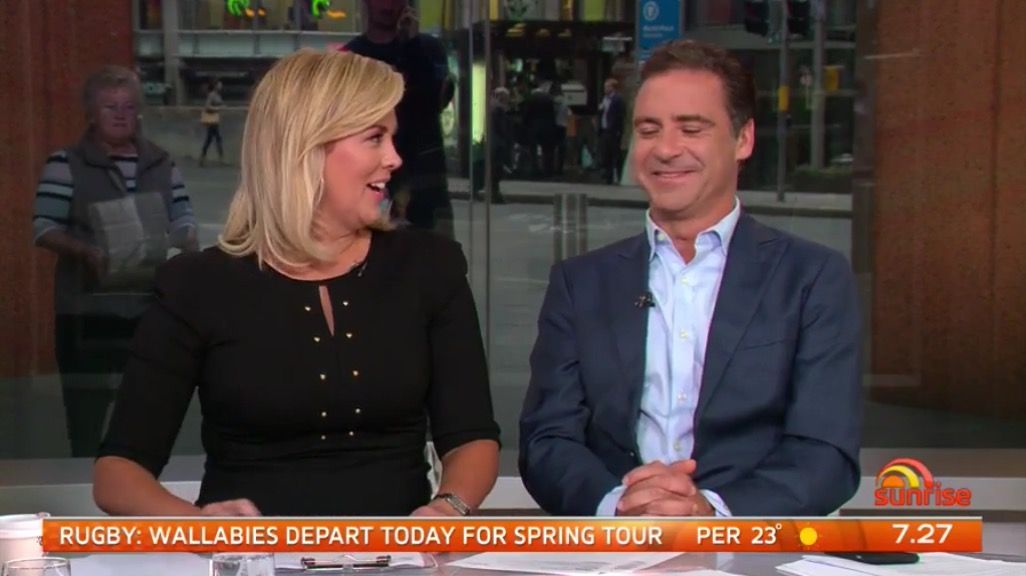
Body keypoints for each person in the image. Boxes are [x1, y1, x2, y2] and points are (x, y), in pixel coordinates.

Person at [92, 50, 501, 517]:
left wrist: (449, 507)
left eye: (392, 137)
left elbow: (471, 437)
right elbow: (117, 474)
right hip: (247, 553)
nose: (394, 158)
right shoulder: (197, 284)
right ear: (307, 148)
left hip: (401, 549)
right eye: (375, 137)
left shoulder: (430, 266)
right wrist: (200, 527)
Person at [519, 40, 861, 517]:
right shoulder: (580, 283)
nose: (665, 149)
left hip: (748, 543)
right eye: (649, 130)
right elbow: (547, 439)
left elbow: (826, 453)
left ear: (743, 139)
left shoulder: (811, 278)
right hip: (616, 541)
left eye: (691, 129)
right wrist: (620, 505)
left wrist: (711, 513)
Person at [32, 65, 198, 458]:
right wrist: (85, 252)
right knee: (86, 416)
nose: (122, 115)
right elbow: (43, 227)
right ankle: (86, 482)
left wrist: (182, 240)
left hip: (148, 309)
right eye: (111, 107)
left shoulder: (161, 162)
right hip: (86, 311)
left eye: (129, 106)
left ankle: (136, 482)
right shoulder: (65, 162)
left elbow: (184, 217)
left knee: (146, 412)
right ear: (91, 113)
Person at [344, 0, 455, 237]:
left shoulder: (428, 49)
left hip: (425, 179)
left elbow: (435, 100)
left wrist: (412, 44)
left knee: (436, 254)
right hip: (373, 179)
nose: (388, 5)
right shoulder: (351, 58)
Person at [597, 77, 626, 184]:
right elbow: (603, 113)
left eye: (607, 87)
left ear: (613, 88)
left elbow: (620, 115)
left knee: (615, 154)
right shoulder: (605, 99)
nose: (605, 89)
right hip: (605, 129)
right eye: (605, 87)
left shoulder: (618, 99)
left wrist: (619, 130)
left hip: (614, 130)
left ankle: (619, 176)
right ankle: (608, 177)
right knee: (606, 153)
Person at [199, 78, 224, 167]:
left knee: (210, 139)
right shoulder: (212, 95)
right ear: (215, 86)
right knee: (216, 138)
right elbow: (207, 106)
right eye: (219, 84)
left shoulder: (217, 95)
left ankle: (202, 158)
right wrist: (217, 108)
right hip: (211, 120)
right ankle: (221, 158)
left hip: (214, 119)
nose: (221, 86)